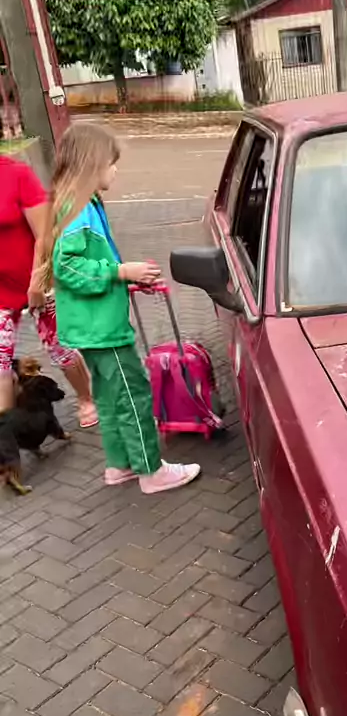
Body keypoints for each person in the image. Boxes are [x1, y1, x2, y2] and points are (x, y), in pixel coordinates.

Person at [46, 122, 201, 495]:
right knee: (134, 394)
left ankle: (120, 465)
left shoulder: (80, 204)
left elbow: (81, 266)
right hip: (102, 328)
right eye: (111, 163)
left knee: (109, 397)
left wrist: (124, 280)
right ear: (92, 164)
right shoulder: (79, 209)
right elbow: (67, 267)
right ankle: (151, 471)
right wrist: (120, 272)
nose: (115, 170)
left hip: (90, 326)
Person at [0, 152, 97, 424]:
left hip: (37, 279)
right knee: (0, 361)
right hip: (2, 290)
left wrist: (37, 281)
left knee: (59, 348)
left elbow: (44, 235)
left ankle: (86, 398)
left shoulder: (17, 175)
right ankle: (6, 432)